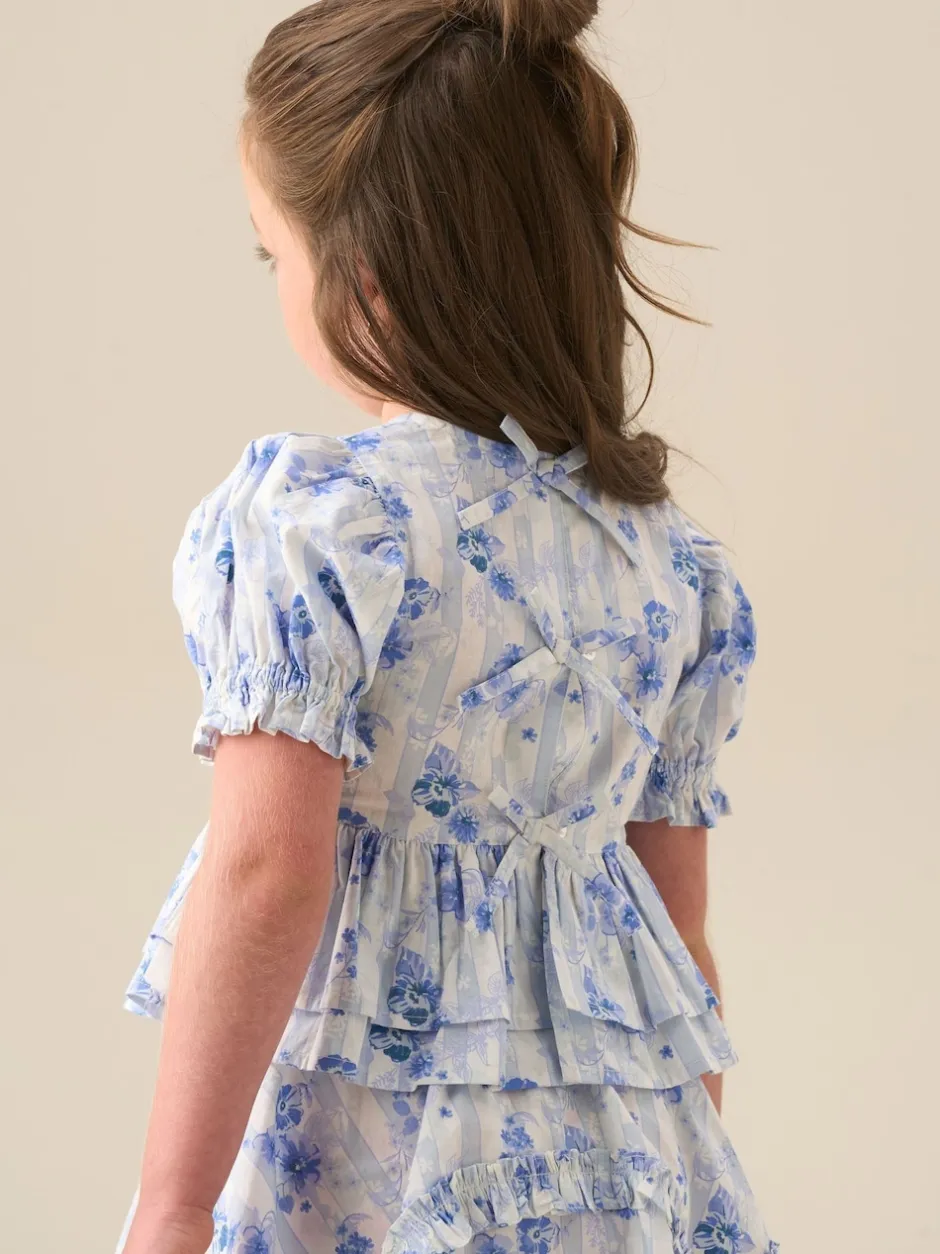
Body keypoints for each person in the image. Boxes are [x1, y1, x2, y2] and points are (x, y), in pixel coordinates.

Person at [117, 2, 776, 1252]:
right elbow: (676, 938)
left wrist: (173, 1204)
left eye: (273, 255)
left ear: (364, 276)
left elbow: (266, 872)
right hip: (621, 1173)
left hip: (381, 1160)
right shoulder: (669, 567)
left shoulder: (329, 529)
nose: (278, 283)